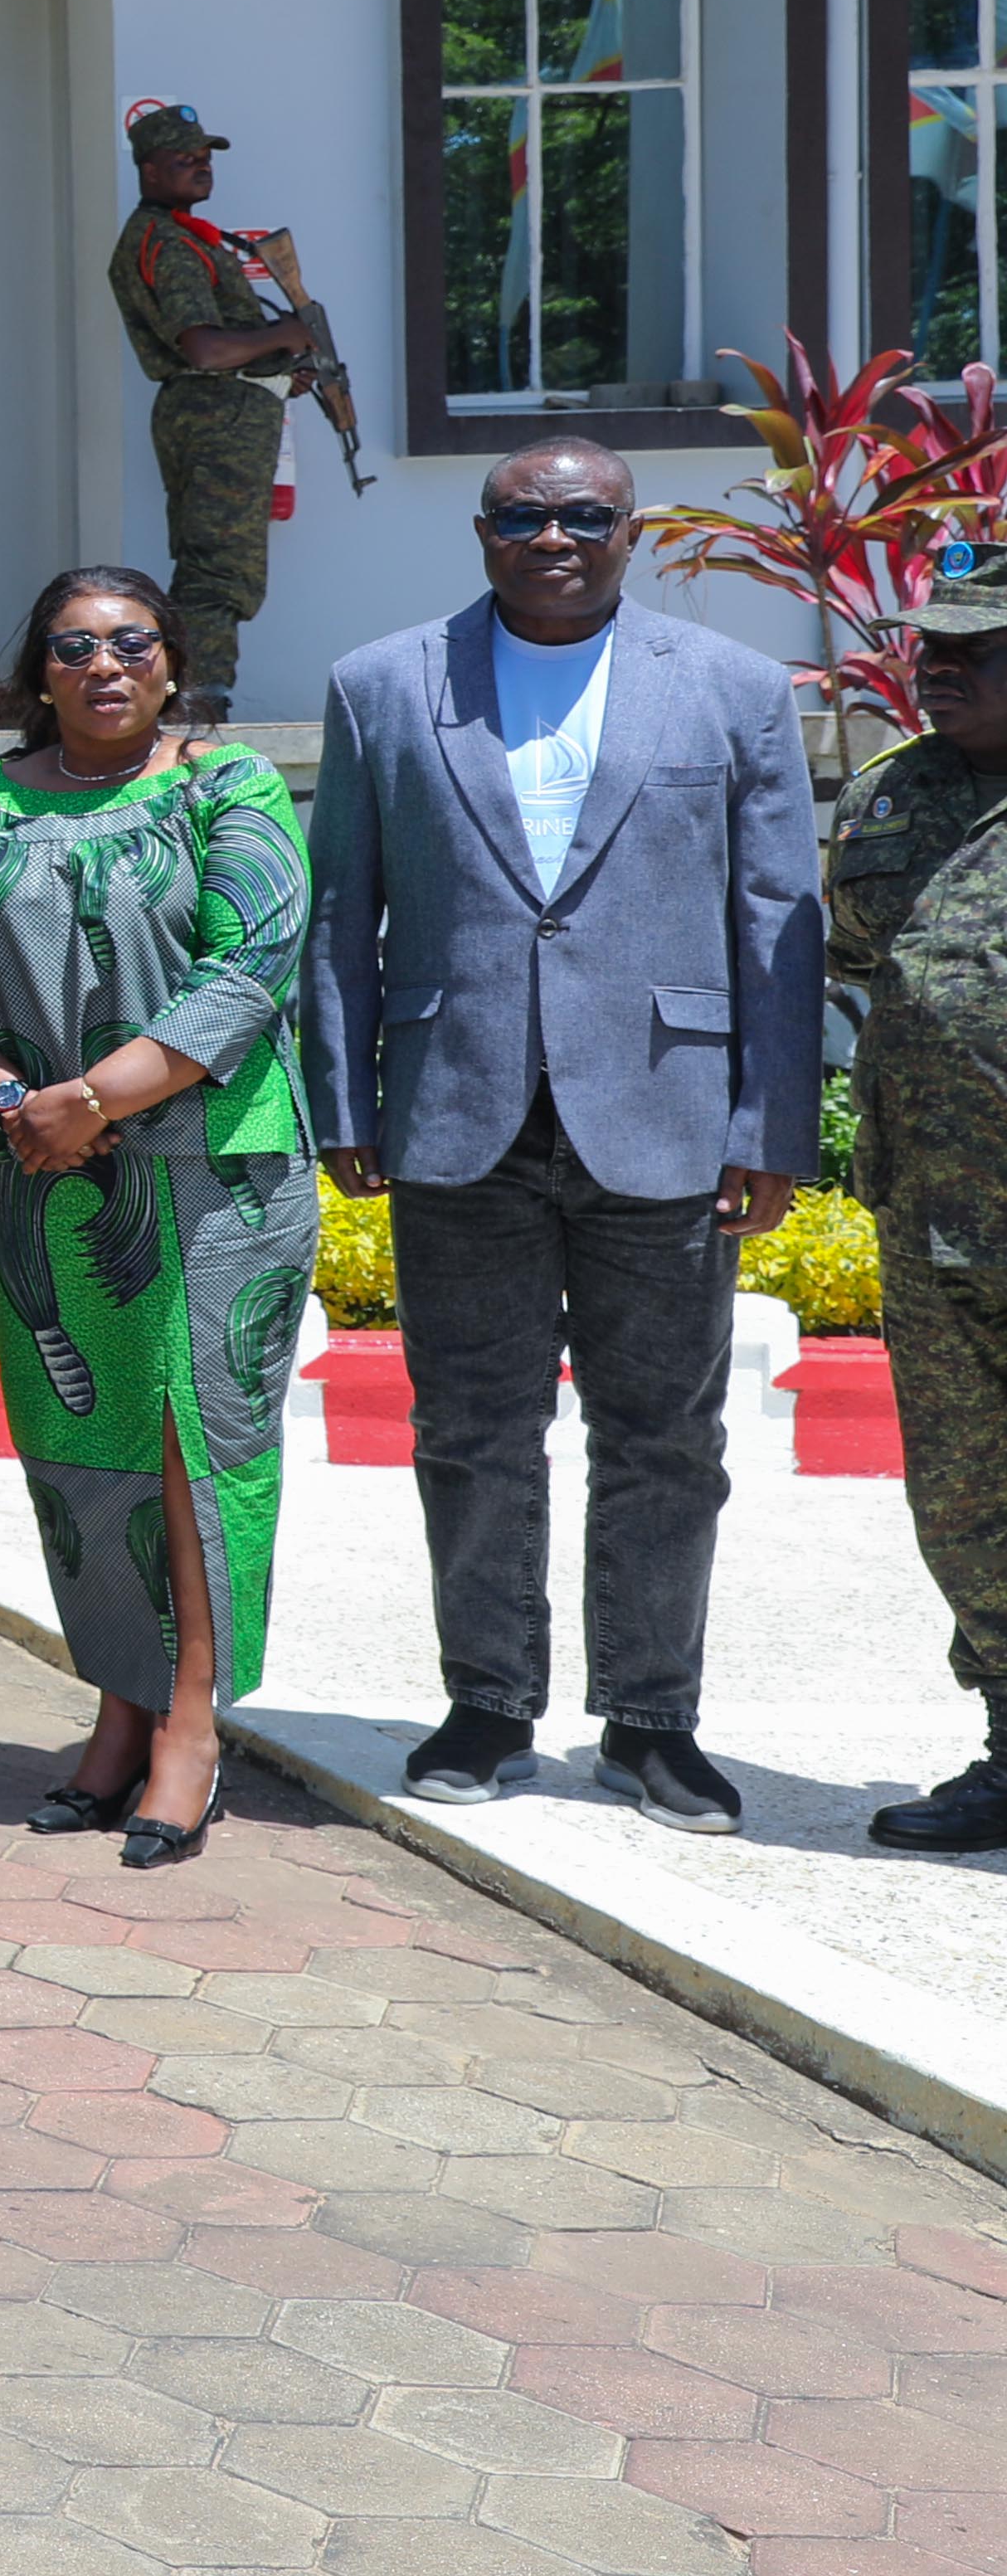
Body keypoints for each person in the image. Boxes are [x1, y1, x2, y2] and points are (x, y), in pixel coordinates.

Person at [304, 438, 821, 1834]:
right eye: (525, 517)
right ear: (482, 534)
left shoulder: (732, 689)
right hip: (458, 1110)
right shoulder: (382, 686)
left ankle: (653, 1723)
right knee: (472, 1428)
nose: (556, 537)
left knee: (665, 1436)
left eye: (585, 516)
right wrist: (344, 1102)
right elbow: (341, 910)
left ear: (629, 533)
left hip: (661, 1111)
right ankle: (487, 1700)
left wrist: (768, 1119)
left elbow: (777, 919)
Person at [0, 570, 314, 1869]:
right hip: (41, 1169)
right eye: (74, 647)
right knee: (79, 1439)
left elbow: (249, 967)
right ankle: (115, 1706)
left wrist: (95, 1098)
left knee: (191, 1451)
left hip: (215, 1169)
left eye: (131, 645)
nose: (105, 666)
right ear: (38, 672)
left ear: (172, 665)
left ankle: (191, 1727)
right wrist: (11, 1100)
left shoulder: (228, 789)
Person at [825, 545, 1007, 1854]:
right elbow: (837, 958)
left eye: (970, 656)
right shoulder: (894, 796)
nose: (936, 675)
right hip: (933, 1212)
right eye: (929, 654)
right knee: (963, 1495)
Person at [107, 98, 330, 723]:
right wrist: (286, 336)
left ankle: (197, 699)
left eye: (206, 157)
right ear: (150, 169)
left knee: (220, 571)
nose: (202, 167)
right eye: (186, 158)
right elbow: (205, 347)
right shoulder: (168, 243)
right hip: (216, 417)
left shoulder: (180, 235)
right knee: (217, 575)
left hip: (223, 414)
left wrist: (282, 365)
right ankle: (198, 708)